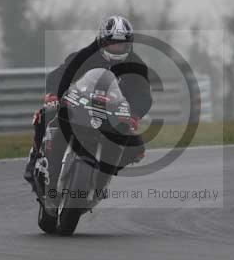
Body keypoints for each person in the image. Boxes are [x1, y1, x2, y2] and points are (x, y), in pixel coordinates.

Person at [24, 15, 152, 190]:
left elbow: (144, 95)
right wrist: (53, 94)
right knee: (46, 115)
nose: (117, 47)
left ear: (129, 44)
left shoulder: (136, 65)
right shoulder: (85, 56)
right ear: (102, 41)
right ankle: (35, 160)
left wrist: (134, 114)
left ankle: (103, 177)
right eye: (112, 43)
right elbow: (60, 74)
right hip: (80, 103)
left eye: (121, 43)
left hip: (113, 114)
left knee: (137, 146)